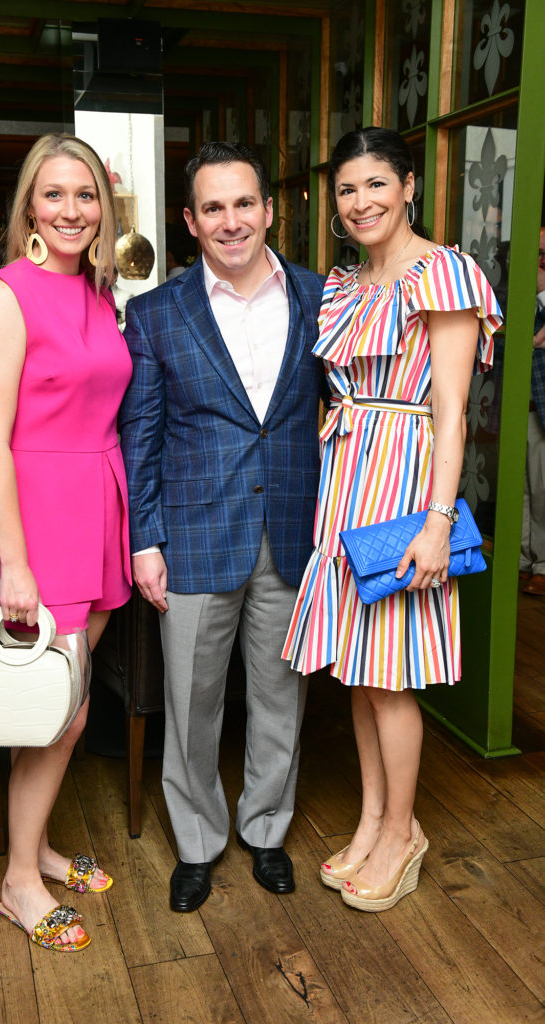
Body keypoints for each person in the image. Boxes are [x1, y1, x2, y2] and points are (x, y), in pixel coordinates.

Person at [283, 128, 502, 912]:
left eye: (377, 183)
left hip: (408, 485)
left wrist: (438, 522)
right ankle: (373, 818)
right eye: (347, 189)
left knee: (393, 673)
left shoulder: (445, 272)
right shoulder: (343, 285)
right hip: (348, 480)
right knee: (358, 669)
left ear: (409, 185)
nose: (362, 201)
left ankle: (404, 830)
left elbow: (452, 409)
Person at [119, 142, 326, 913]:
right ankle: (199, 843)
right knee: (192, 704)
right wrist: (145, 539)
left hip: (290, 529)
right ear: (190, 221)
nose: (232, 221)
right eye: (213, 208)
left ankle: (267, 829)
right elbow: (142, 437)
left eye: (245, 204)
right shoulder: (155, 313)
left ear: (270, 209)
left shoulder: (320, 296)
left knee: (280, 697)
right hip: (195, 538)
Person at [0, 133, 132, 952]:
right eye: (55, 194)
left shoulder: (100, 293)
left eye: (87, 194)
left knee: (71, 702)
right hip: (41, 522)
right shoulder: (6, 293)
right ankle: (18, 883)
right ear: (31, 204)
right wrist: (16, 562)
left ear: (104, 207)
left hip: (99, 509)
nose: (72, 209)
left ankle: (39, 849)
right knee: (54, 713)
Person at [520, 226, 545, 595]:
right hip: (511, 408)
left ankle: (542, 563)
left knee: (542, 489)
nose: (538, 260)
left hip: (542, 409)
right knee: (520, 488)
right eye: (535, 252)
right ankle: (523, 559)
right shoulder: (516, 299)